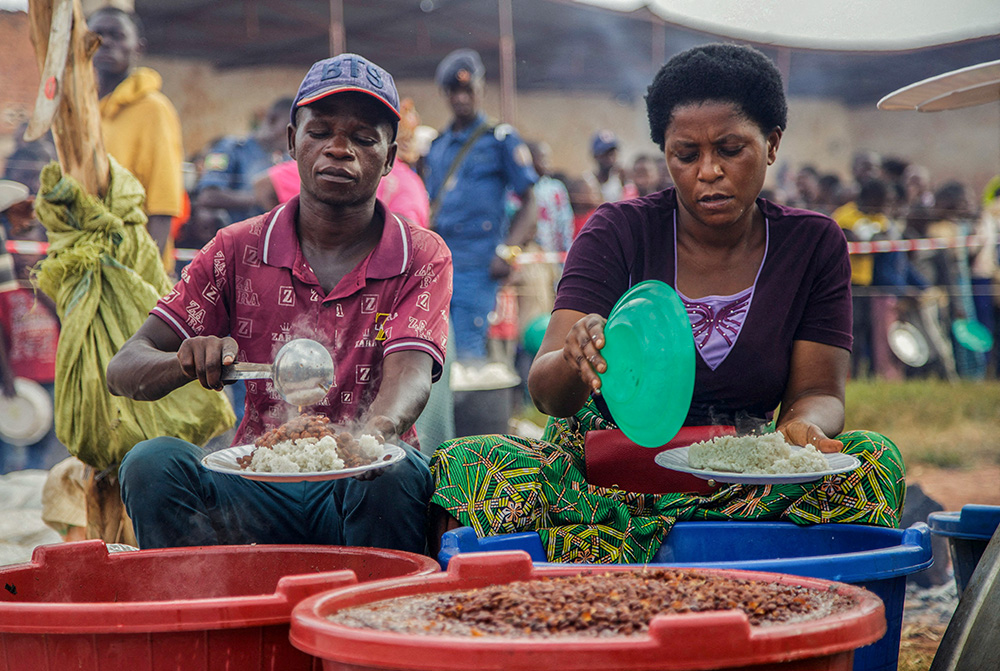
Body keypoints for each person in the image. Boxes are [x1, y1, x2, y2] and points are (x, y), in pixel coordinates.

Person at [430, 43, 905, 564]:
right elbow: (547, 394)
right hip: (609, 475)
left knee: (873, 462)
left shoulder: (812, 245)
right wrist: (574, 357)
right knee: (466, 464)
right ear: (666, 155)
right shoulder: (618, 232)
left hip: (742, 472)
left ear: (771, 144)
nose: (708, 171)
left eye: (730, 149)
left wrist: (799, 428)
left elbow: (819, 389)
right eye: (686, 154)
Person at [106, 53, 453, 553]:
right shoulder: (236, 248)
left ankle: (369, 617)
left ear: (391, 157)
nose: (339, 149)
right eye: (320, 132)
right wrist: (184, 361)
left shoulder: (420, 253)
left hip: (367, 487)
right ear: (292, 141)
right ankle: (198, 611)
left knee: (392, 473)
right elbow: (125, 368)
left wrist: (365, 440)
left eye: (362, 137)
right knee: (151, 463)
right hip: (261, 482)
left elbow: (411, 374)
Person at [422, 48, 538, 361]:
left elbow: (530, 201)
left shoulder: (500, 139)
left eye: (467, 89)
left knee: (467, 349)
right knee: (435, 345)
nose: (461, 98)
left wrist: (507, 251)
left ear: (480, 89)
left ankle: (470, 411)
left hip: (478, 261)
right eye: (454, 91)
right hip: (439, 260)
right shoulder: (437, 145)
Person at [88, 6, 185, 267]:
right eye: (97, 34)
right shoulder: (82, 110)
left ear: (138, 47)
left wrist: (145, 275)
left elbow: (163, 203)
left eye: (117, 35)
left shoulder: (153, 108)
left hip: (132, 265)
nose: (105, 42)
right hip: (87, 260)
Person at [195, 96, 294, 225]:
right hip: (232, 236)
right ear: (272, 119)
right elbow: (208, 196)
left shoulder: (285, 160)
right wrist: (262, 198)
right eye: (288, 129)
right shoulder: (228, 148)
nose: (293, 136)